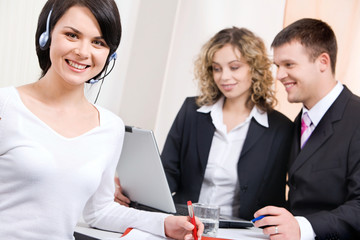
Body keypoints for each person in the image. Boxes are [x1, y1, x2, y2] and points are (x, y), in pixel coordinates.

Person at [0, 0, 203, 239]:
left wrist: (165, 223)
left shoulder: (110, 126)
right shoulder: (6, 105)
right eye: (72, 35)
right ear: (47, 35)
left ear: (110, 53)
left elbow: (100, 211)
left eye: (98, 42)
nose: (83, 52)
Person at [117, 27, 293, 220]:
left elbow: (278, 196)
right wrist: (133, 190)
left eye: (234, 67)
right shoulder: (191, 112)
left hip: (245, 232)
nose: (224, 77)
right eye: (216, 68)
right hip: (186, 223)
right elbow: (168, 173)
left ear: (255, 68)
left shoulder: (280, 128)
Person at [253, 18, 360, 240]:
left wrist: (303, 228)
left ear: (322, 62)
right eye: (277, 66)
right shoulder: (295, 124)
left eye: (289, 65)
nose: (279, 75)